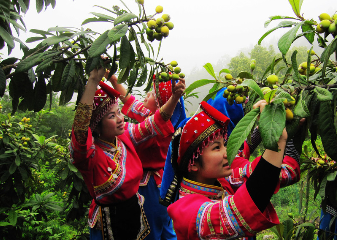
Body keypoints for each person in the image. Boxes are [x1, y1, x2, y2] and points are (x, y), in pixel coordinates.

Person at [69, 66, 184, 240]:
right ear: (96, 126)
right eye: (112, 116)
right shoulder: (89, 154)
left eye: (118, 113)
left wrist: (175, 97)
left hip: (137, 211)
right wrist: (94, 82)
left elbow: (155, 121)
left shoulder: (126, 135)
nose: (121, 118)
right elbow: (80, 131)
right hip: (107, 223)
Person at [161, 100, 300, 240]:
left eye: (224, 145)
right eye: (217, 147)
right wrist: (276, 140)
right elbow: (236, 214)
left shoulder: (218, 178)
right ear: (193, 163)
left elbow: (243, 154)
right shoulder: (187, 212)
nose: (227, 153)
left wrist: (264, 128)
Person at [109, 72, 186, 240]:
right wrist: (113, 80)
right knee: (166, 231)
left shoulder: (159, 127)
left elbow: (157, 119)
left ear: (160, 103)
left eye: (151, 94)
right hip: (163, 185)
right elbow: (130, 101)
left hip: (149, 189)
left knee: (149, 232)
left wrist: (173, 97)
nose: (146, 96)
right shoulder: (152, 116)